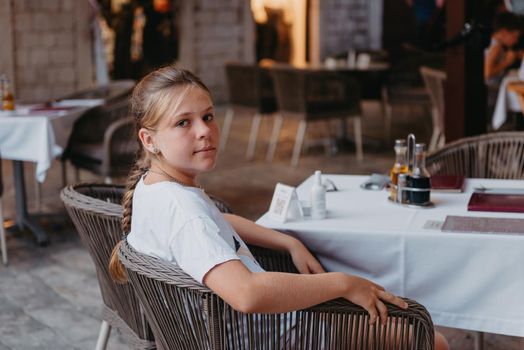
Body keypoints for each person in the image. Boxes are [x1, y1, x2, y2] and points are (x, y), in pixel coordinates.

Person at [108, 65, 449, 349]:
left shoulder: (154, 188)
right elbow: (247, 294)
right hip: (280, 337)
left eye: (208, 116)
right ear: (148, 139)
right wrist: (343, 283)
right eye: (183, 122)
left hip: (246, 333)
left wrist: (288, 241)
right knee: (430, 341)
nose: (204, 132)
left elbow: (215, 219)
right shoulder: (184, 212)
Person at [484, 12, 523, 87]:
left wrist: (516, 54)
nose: (516, 40)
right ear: (503, 32)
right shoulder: (496, 47)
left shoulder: (494, 44)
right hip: (490, 91)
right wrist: (506, 62)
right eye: (515, 36)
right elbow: (487, 73)